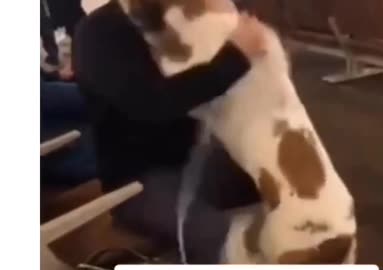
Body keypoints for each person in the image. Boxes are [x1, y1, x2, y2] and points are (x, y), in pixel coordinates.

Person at [72, 0, 264, 263]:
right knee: (222, 238)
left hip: (193, 156)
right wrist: (237, 57)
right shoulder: (99, 32)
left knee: (280, 191)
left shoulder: (172, 18)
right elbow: (152, 105)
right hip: (138, 181)